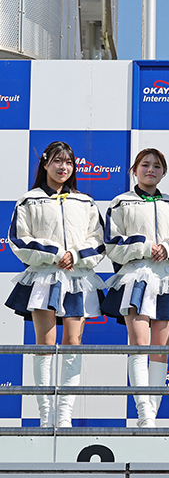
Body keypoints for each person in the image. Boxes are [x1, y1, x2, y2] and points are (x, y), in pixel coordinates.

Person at [5, 141, 105, 428]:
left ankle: (64, 415)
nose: (63, 167)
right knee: (45, 345)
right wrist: (55, 253)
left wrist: (76, 254)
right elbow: (18, 239)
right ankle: (46, 415)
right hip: (43, 277)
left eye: (69, 162)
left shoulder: (85, 201)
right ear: (45, 163)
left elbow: (99, 241)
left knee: (73, 343)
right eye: (58, 161)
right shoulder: (29, 200)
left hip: (77, 279)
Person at [101, 148, 169, 427]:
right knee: (139, 346)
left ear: (163, 172)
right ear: (134, 170)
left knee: (160, 351)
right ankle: (144, 413)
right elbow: (111, 245)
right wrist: (144, 247)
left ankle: (151, 418)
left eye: (157, 166)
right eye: (145, 165)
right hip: (135, 278)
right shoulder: (120, 203)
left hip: (168, 279)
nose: (150, 170)